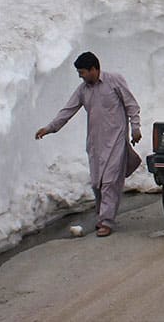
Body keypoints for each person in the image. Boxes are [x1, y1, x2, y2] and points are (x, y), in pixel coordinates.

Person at [35, 52, 142, 237]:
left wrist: (135, 128)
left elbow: (131, 105)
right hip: (95, 144)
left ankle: (106, 222)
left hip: (116, 141)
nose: (80, 76)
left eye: (83, 72)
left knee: (109, 182)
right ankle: (102, 215)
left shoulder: (114, 81)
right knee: (96, 184)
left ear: (94, 69)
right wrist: (50, 128)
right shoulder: (83, 90)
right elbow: (67, 111)